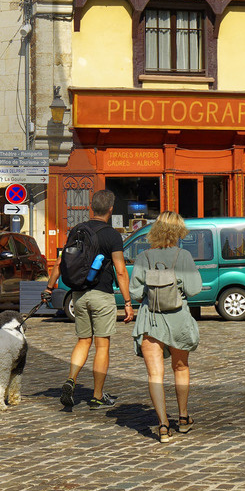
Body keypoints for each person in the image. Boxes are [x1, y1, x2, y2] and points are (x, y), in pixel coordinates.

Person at [44, 190, 134, 410]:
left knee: (83, 341)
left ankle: (71, 379)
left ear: (91, 208)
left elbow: (58, 263)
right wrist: (128, 302)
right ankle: (96, 396)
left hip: (78, 295)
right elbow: (121, 271)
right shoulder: (112, 235)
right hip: (101, 295)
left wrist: (48, 287)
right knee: (102, 345)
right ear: (111, 210)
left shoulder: (77, 230)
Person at [129, 211, 203, 444]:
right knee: (181, 368)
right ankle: (182, 418)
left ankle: (162, 426)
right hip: (178, 318)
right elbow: (194, 289)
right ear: (179, 231)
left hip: (150, 319)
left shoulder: (144, 257)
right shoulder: (184, 256)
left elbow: (134, 291)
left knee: (155, 374)